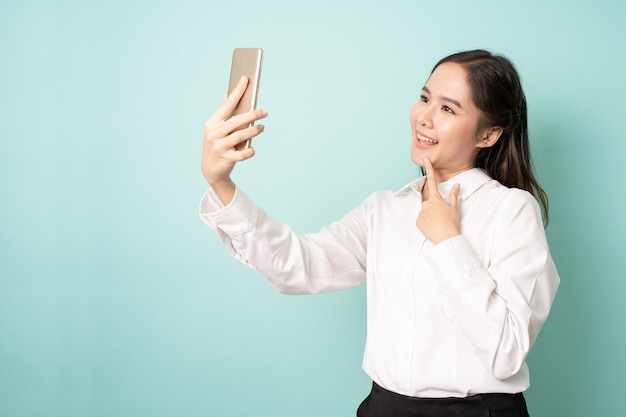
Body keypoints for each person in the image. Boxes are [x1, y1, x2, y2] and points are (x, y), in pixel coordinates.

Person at [199, 49, 560, 417]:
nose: (424, 118)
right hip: (383, 407)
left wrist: (448, 240)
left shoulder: (512, 211)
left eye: (448, 109)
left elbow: (506, 353)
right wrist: (221, 183)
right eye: (424, 98)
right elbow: (297, 266)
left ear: (489, 134)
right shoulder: (385, 209)